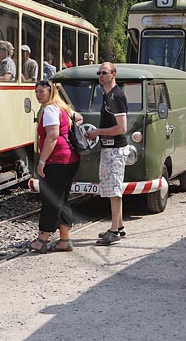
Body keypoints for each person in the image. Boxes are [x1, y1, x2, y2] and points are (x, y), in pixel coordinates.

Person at [25, 79, 81, 253]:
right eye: (36, 91)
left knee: (50, 200)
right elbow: (78, 117)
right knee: (62, 199)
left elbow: (52, 136)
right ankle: (64, 240)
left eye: (42, 91)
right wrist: (69, 131)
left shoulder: (50, 109)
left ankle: (42, 239)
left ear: (51, 92)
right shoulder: (62, 106)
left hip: (56, 161)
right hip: (70, 159)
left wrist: (41, 162)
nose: (38, 94)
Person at [85, 62, 128, 245]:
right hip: (109, 148)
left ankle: (114, 232)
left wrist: (98, 132)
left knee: (114, 190)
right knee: (111, 188)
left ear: (114, 74)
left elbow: (122, 128)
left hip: (115, 149)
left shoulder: (116, 96)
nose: (101, 75)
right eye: (99, 73)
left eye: (104, 72)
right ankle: (119, 226)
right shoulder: (107, 95)